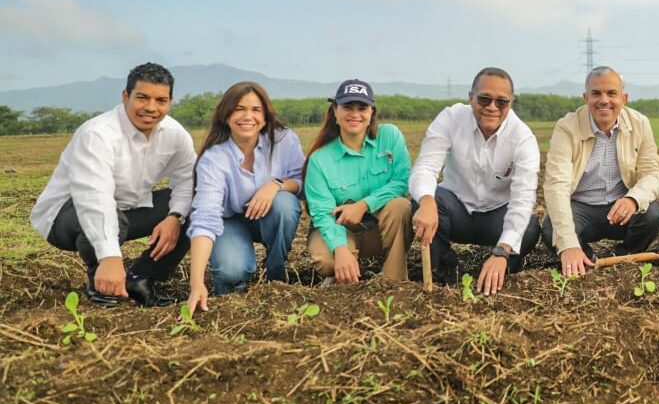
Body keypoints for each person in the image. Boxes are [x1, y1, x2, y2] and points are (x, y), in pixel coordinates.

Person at [31, 62, 195, 306]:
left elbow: (186, 179)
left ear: (170, 102)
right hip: (66, 217)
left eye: (161, 100)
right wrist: (110, 257)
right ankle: (101, 280)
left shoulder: (175, 134)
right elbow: (94, 198)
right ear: (125, 96)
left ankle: (141, 278)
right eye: (142, 98)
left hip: (127, 209)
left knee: (197, 205)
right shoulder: (97, 134)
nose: (151, 108)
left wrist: (175, 217)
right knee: (109, 217)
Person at [410, 67, 541, 295]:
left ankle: (501, 269)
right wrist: (426, 202)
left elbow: (522, 200)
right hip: (455, 210)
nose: (492, 107)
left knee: (528, 227)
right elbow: (426, 167)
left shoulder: (522, 138)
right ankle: (442, 272)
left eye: (501, 102)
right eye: (484, 99)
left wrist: (502, 250)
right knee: (425, 199)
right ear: (471, 97)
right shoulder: (451, 119)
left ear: (511, 103)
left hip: (496, 217)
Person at [185, 82, 304, 312]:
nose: (247, 116)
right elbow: (205, 218)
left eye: (256, 110)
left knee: (285, 204)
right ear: (226, 114)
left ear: (265, 115)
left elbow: (302, 181)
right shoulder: (214, 158)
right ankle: (231, 293)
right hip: (229, 221)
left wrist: (275, 185)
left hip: (268, 216)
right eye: (239, 109)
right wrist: (196, 282)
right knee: (231, 269)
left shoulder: (284, 140)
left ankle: (276, 274)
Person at [542, 67, 659, 277]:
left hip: (621, 206)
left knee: (652, 214)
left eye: (612, 93)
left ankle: (625, 256)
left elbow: (652, 172)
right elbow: (557, 184)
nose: (604, 100)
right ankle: (584, 259)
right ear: (585, 97)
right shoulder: (567, 128)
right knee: (552, 228)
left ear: (624, 98)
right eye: (596, 93)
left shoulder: (640, 123)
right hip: (581, 208)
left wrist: (633, 199)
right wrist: (569, 244)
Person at [304, 80, 412, 284]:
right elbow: (321, 212)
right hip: (340, 228)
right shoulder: (319, 159)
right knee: (326, 260)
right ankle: (343, 277)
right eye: (347, 107)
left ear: (372, 112)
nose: (355, 114)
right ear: (335, 111)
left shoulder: (390, 136)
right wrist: (340, 248)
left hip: (380, 228)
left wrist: (363, 205)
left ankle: (394, 283)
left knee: (401, 206)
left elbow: (402, 181)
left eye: (362, 108)